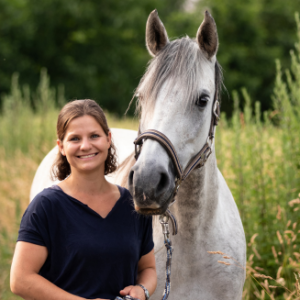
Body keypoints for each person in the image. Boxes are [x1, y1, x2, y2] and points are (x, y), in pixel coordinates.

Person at [10, 99, 157, 300]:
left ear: (108, 139)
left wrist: (142, 289)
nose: (85, 146)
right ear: (61, 146)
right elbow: (20, 280)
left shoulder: (132, 204)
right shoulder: (46, 206)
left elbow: (148, 268)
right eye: (75, 139)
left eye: (94, 136)